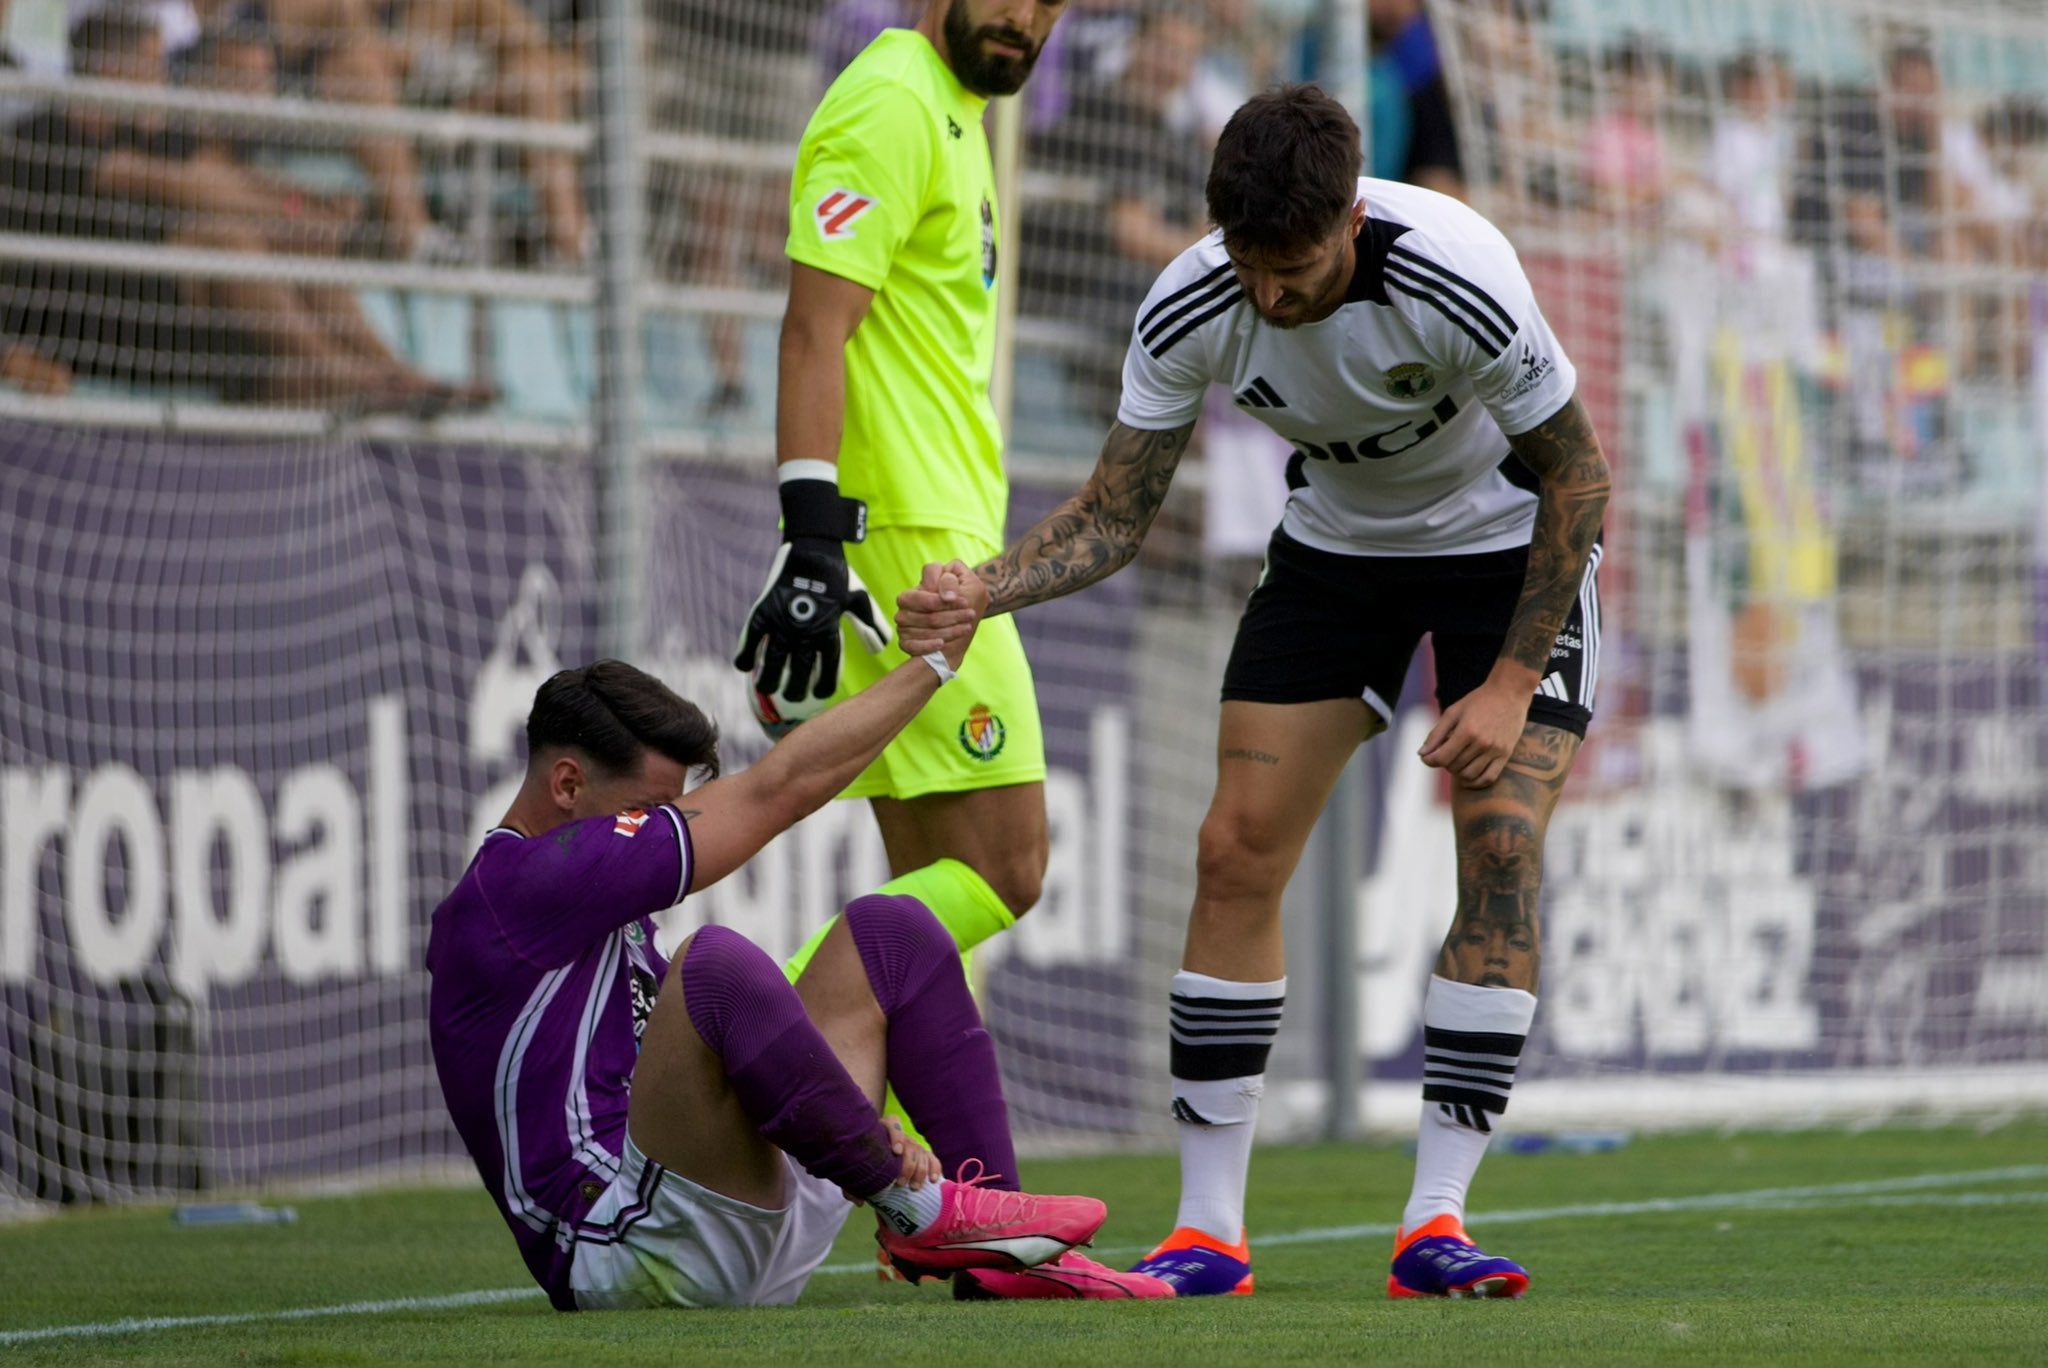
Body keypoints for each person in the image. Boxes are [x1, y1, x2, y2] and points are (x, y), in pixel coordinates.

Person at [900, 83, 1611, 1299]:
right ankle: (1207, 1234)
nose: (1269, 294)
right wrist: (984, 589)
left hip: (1508, 549)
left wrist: (1506, 680)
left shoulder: (1455, 272)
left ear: (1347, 215)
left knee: (1497, 848)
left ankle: (1433, 1223)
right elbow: (1114, 517)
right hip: (1337, 553)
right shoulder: (1191, 301)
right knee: (1232, 850)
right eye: (1247, 261)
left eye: (1292, 264)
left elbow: (1580, 485)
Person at [427, 566, 1173, 1310]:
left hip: (718, 1211)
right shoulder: (515, 887)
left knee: (894, 931)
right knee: (715, 965)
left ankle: (1006, 1260)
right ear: (566, 785)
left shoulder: (588, 910)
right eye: (654, 812)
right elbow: (775, 790)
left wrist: (843, 1122)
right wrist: (936, 664)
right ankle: (917, 1210)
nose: (665, 829)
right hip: (628, 1255)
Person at [736, 0, 1119, 1295]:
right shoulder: (891, 99)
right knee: (1010, 868)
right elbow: (812, 324)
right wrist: (811, 534)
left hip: (925, 535)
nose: (1022, 16)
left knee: (930, 913)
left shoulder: (957, 115)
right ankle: (735, 1040)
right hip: (915, 557)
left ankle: (957, 1220)